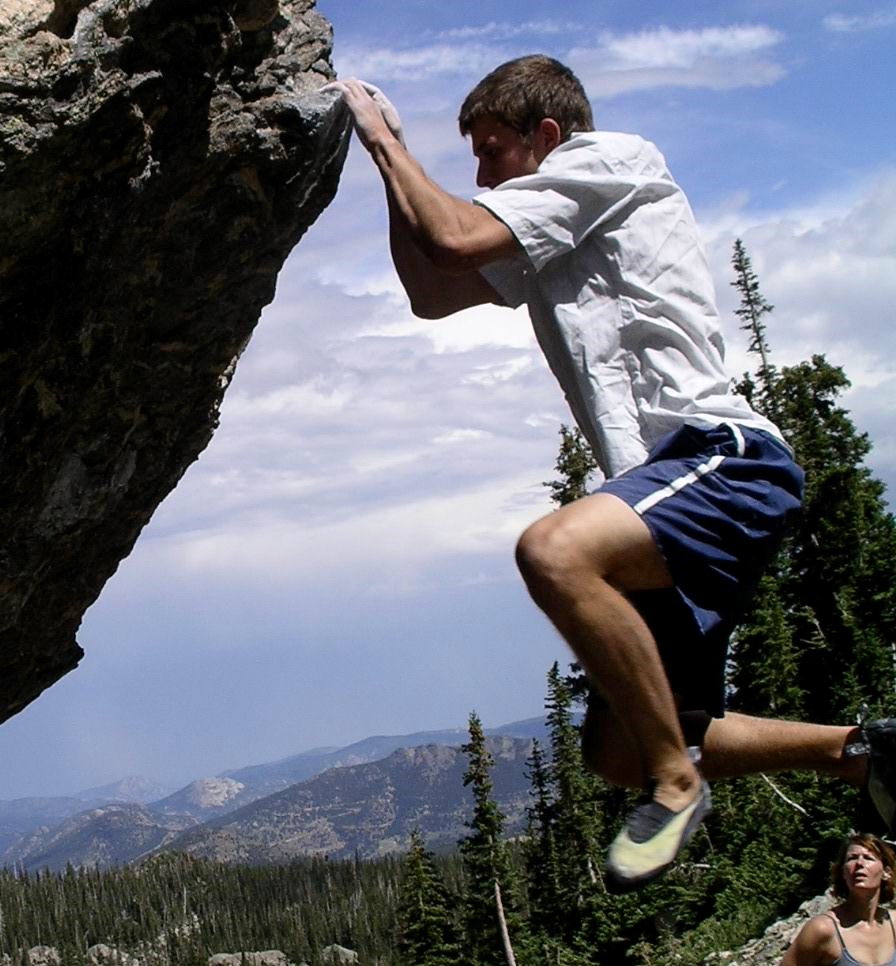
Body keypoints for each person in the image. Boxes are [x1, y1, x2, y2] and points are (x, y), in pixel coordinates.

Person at [330, 56, 896, 892]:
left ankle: (680, 786)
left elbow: (453, 233)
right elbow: (430, 287)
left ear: (547, 137)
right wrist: (390, 161)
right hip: (667, 485)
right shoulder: (549, 225)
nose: (480, 175)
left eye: (491, 152)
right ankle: (860, 752)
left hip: (721, 455)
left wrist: (384, 141)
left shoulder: (609, 162)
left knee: (555, 553)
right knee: (620, 747)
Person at [779, 833, 896, 965]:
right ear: (843, 873)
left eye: (868, 858)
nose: (859, 863)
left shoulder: (894, 924)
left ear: (887, 873)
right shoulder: (823, 929)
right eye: (852, 858)